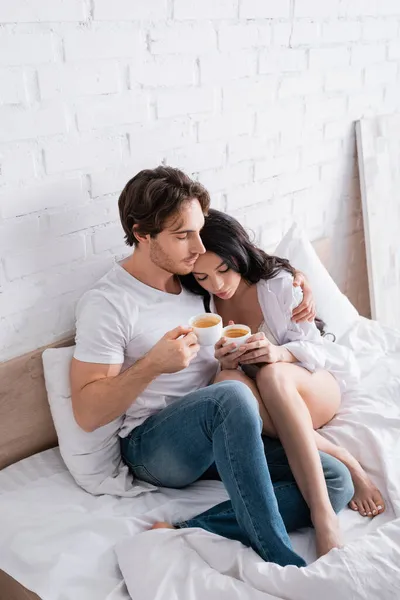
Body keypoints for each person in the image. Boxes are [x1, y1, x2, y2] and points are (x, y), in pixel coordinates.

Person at [70, 166, 353, 567]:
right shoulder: (109, 302)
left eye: (198, 231)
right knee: (232, 395)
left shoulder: (191, 281)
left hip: (221, 429)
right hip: (156, 447)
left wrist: (297, 279)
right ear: (141, 233)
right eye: (183, 235)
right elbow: (86, 412)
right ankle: (280, 557)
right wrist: (153, 365)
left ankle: (189, 529)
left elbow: (245, 266)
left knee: (334, 481)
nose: (196, 246)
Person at [177, 208, 385, 557]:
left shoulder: (276, 285)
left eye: (224, 270)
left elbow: (320, 352)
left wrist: (279, 354)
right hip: (269, 406)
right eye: (202, 277)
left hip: (312, 386)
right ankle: (340, 455)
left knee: (272, 374)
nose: (218, 285)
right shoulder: (204, 305)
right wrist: (222, 363)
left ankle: (324, 517)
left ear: (237, 254)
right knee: (228, 381)